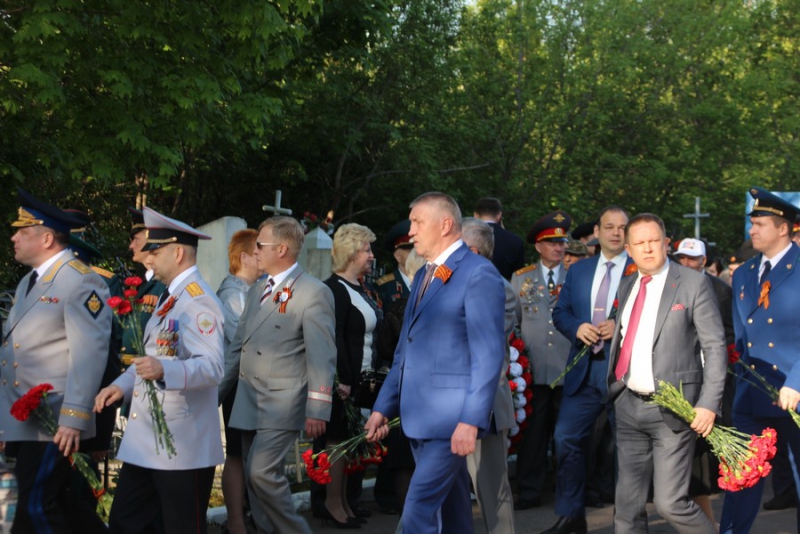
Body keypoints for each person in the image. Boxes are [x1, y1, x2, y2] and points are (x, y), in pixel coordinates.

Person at [365, 192, 506, 534]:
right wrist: (383, 406)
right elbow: (405, 351)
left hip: (451, 420)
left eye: (417, 222)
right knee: (453, 511)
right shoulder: (425, 275)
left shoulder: (478, 273)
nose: (411, 231)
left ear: (445, 225)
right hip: (419, 417)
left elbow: (488, 355)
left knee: (417, 512)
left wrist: (471, 420)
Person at [94, 207, 224, 534]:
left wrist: (164, 370)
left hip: (182, 443)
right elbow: (152, 357)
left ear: (177, 253)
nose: (148, 257)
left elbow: (211, 367)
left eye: (156, 251)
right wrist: (121, 386)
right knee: (126, 521)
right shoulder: (171, 297)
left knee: (181, 527)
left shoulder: (197, 300)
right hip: (148, 440)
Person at [0, 188, 112, 533]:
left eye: (22, 231)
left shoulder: (80, 280)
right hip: (27, 419)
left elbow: (89, 354)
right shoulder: (28, 282)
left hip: (55, 420)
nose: (14, 238)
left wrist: (74, 418)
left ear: (46, 238)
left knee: (35, 506)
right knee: (43, 507)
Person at [608, 213, 725, 534]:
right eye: (639, 243)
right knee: (626, 508)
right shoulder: (628, 284)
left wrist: (708, 404)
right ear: (629, 250)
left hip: (674, 408)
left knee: (670, 502)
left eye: (653, 241)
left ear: (666, 244)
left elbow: (715, 347)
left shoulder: (692, 283)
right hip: (628, 405)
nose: (647, 249)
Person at [220, 216, 336, 534]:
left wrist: (318, 407)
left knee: (262, 473)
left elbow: (322, 355)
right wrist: (213, 395)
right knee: (254, 480)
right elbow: (238, 349)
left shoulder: (313, 292)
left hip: (282, 402)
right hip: (249, 399)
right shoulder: (258, 289)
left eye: (261, 244)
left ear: (281, 249)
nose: (255, 250)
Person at [545, 206, 631, 534]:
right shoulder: (580, 270)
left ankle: (629, 521)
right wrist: (577, 327)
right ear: (597, 231)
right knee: (566, 438)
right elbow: (561, 313)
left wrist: (619, 327)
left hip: (622, 373)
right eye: (609, 227)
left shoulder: (638, 270)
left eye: (622, 228)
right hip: (583, 370)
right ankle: (571, 517)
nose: (616, 233)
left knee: (627, 448)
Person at [720, 187, 800, 532]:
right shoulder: (744, 273)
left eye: (760, 224)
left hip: (794, 393)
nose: (751, 230)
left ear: (783, 228)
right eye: (752, 223)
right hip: (752, 395)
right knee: (741, 478)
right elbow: (741, 339)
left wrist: (796, 383)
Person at [510, 210, 572, 511]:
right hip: (533, 370)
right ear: (538, 246)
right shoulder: (521, 278)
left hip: (567, 369)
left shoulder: (575, 277)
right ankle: (530, 490)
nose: (559, 248)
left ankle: (567, 491)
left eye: (562, 243)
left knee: (566, 436)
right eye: (552, 243)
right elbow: (514, 321)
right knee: (533, 437)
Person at [461, 217, 518, 534]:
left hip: (485, 404)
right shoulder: (449, 281)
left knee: (492, 488)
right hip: (449, 402)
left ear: (471, 250)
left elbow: (482, 346)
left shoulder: (499, 288)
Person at [674, 237, 736, 523]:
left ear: (704, 260)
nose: (686, 263)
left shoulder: (720, 290)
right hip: (676, 380)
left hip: (707, 381)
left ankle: (707, 523)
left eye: (692, 258)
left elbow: (728, 335)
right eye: (682, 258)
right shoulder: (670, 285)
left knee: (701, 461)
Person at [374, 250, 426, 514]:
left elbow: (387, 350)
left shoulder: (400, 308)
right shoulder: (433, 306)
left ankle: (410, 518)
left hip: (406, 393)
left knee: (405, 458)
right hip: (422, 396)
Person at [217, 228, 260, 534]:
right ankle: (235, 521)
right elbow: (244, 342)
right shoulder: (233, 295)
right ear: (244, 258)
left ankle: (249, 514)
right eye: (258, 253)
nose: (263, 258)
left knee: (251, 453)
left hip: (253, 383)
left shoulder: (253, 289)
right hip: (238, 384)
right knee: (236, 453)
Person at [122, 208, 166, 359]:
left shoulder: (163, 284)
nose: (131, 246)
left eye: (136, 239)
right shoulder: (145, 283)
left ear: (151, 240)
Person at [474, 197, 526, 280]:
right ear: (499, 215)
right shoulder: (515, 241)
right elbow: (519, 276)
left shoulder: (465, 237)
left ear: (476, 215)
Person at [376, 219, 415, 314]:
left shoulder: (433, 283)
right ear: (398, 256)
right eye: (412, 251)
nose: (419, 255)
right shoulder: (384, 287)